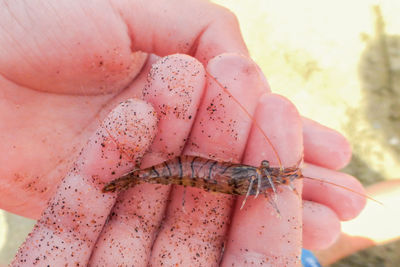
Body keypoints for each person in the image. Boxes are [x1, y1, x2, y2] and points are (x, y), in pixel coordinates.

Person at [0, 1, 365, 265]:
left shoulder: (251, 180)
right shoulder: (249, 180)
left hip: (198, 172)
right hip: (189, 170)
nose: (269, 178)